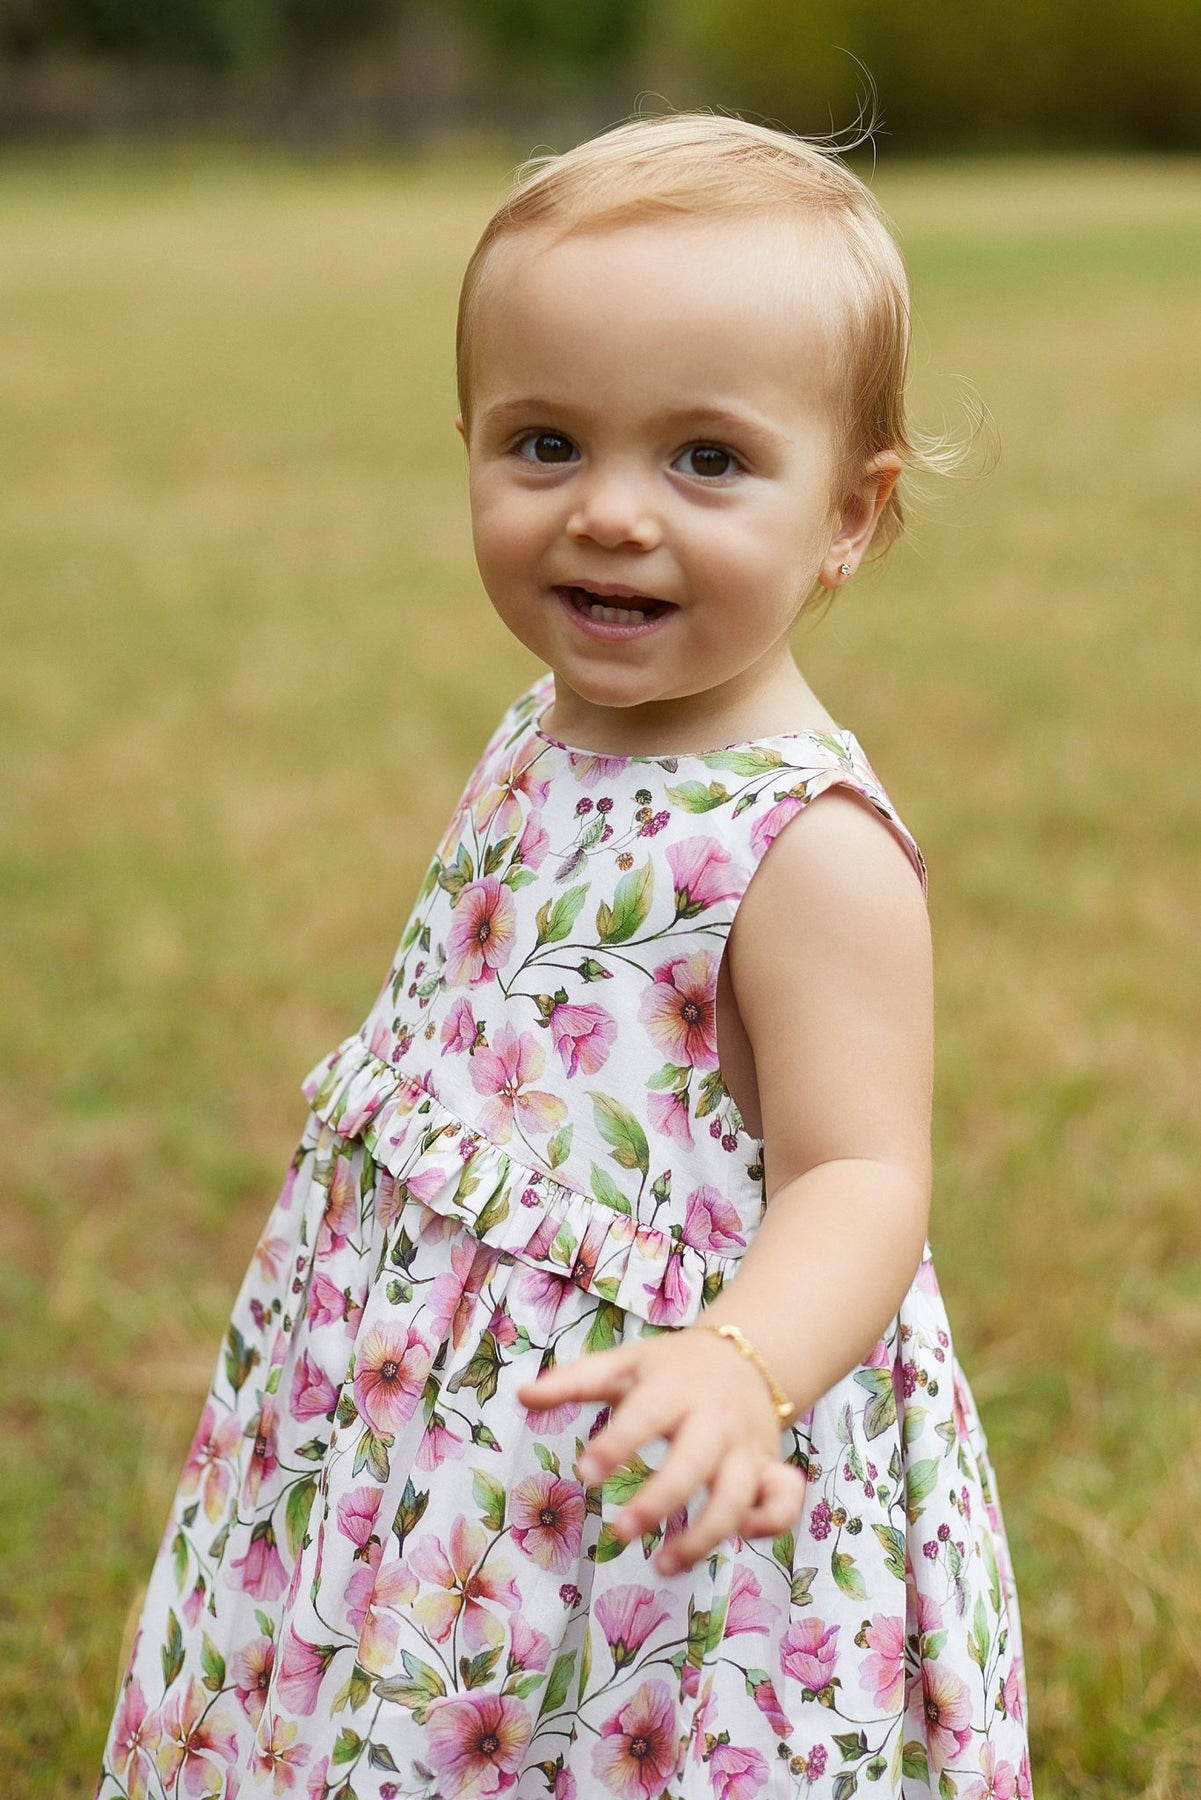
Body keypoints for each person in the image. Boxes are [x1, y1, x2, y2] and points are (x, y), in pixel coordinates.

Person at [98, 112, 1030, 1799]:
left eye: (706, 460)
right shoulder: (542, 725)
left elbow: (861, 1176)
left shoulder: (806, 848)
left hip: (669, 1460)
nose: (608, 513)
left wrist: (739, 1367)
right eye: (544, 443)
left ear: (848, 514)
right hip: (444, 1419)